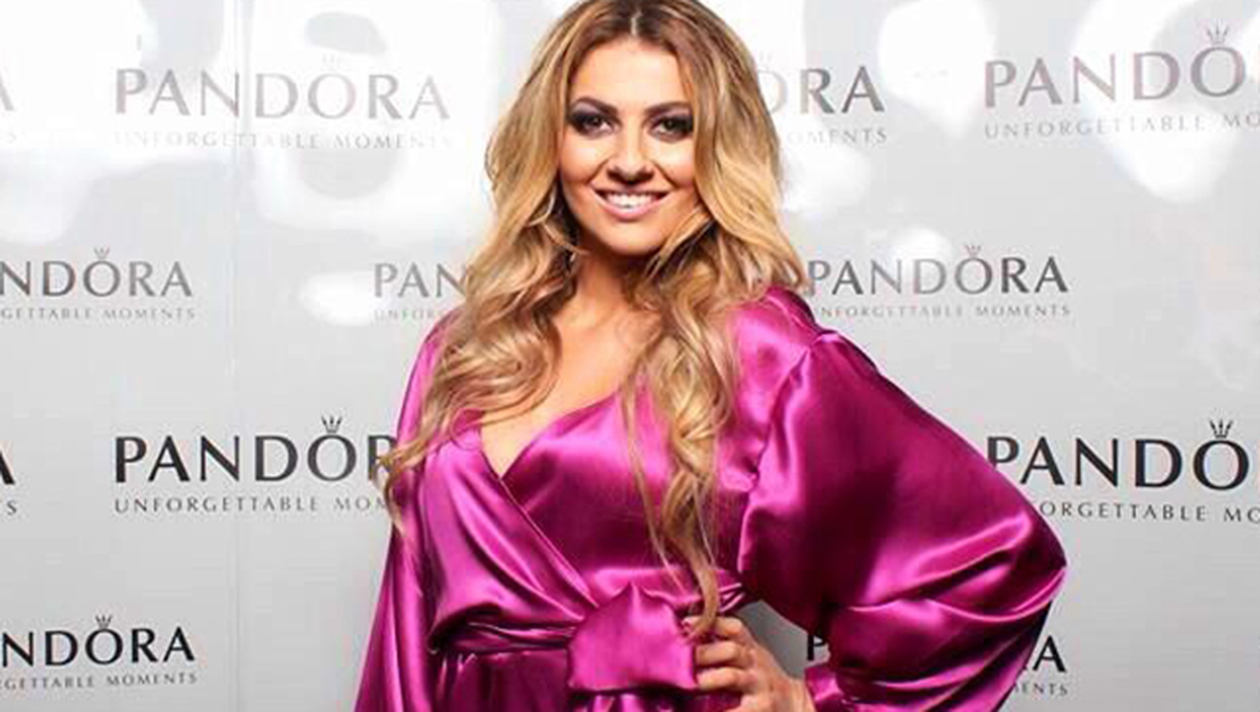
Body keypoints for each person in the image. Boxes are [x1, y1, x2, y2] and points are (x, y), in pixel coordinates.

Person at [354, 1, 1068, 710]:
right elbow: (405, 624)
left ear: (717, 146)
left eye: (672, 126)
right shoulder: (466, 347)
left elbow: (992, 564)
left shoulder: (761, 352)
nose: (629, 162)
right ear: (550, 138)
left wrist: (806, 699)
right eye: (593, 122)